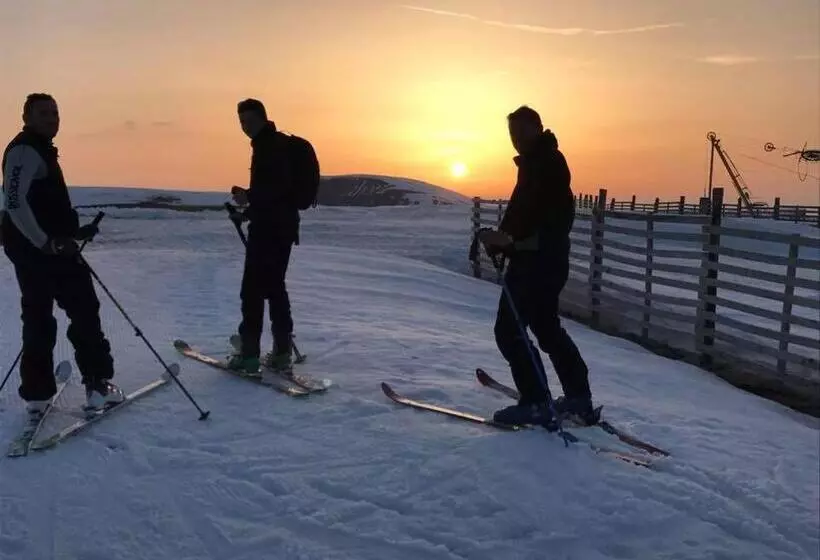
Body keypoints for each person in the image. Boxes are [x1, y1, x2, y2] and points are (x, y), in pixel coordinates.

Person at [1, 93, 124, 414]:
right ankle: (97, 384)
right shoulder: (25, 150)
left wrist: (73, 233)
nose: (52, 119)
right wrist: (46, 242)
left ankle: (38, 393)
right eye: (43, 113)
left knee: (40, 314)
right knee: (82, 309)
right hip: (42, 252)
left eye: (55, 113)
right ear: (26, 118)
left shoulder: (39, 149)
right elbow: (14, 203)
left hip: (42, 248)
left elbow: (40, 206)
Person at [478, 105, 598, 430]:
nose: (516, 139)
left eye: (521, 132)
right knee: (546, 327)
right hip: (541, 260)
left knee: (509, 330)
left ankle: (535, 401)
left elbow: (552, 222)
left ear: (537, 128)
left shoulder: (547, 166)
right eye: (512, 133)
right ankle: (578, 396)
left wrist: (512, 243)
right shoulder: (535, 165)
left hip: (538, 262)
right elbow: (524, 215)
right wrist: (503, 238)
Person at [227, 98, 300, 374]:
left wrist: (248, 197)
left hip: (269, 232)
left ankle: (249, 356)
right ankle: (281, 353)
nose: (244, 127)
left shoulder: (267, 147)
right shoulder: (276, 145)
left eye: (248, 121)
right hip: (282, 228)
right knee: (275, 288)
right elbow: (275, 195)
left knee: (252, 292)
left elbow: (274, 191)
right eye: (241, 122)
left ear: (262, 118)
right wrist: (247, 212)